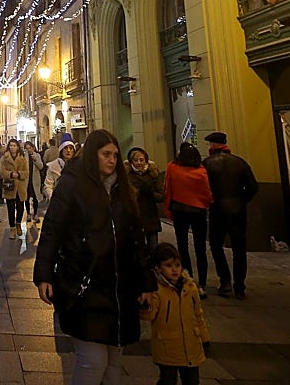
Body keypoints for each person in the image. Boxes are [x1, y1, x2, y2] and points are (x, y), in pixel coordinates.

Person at [34, 128, 154, 384]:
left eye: (114, 155)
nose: (112, 160)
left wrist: (146, 282)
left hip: (119, 286)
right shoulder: (72, 184)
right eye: (105, 154)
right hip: (83, 282)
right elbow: (52, 229)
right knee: (92, 361)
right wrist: (43, 274)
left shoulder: (123, 189)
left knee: (113, 361)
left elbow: (136, 239)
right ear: (92, 154)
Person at [140, 242, 211, 384]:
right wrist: (144, 306)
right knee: (168, 380)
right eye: (168, 265)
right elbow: (150, 315)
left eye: (177, 265)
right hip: (167, 347)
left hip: (191, 345)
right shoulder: (157, 290)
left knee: (192, 380)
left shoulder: (190, 288)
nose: (174, 270)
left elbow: (198, 314)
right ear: (158, 268)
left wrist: (204, 336)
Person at [202, 131, 258, 299]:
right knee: (239, 249)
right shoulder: (240, 163)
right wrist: (241, 200)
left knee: (216, 246)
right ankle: (239, 286)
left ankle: (225, 281)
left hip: (217, 210)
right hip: (238, 210)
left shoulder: (207, 164)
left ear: (212, 145)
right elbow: (253, 187)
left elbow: (202, 187)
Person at [164, 142, 213, 297]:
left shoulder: (172, 168)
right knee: (200, 249)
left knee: (182, 247)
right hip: (198, 213)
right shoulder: (201, 172)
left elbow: (168, 188)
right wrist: (204, 203)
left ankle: (187, 278)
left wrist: (169, 207)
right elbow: (207, 193)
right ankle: (202, 284)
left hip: (179, 212)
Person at [127, 146, 165, 253]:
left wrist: (150, 193)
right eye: (135, 160)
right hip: (135, 219)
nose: (139, 163)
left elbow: (161, 196)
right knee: (139, 251)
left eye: (141, 160)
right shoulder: (127, 176)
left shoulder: (153, 174)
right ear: (131, 162)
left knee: (153, 249)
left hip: (150, 217)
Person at [0, 138, 29, 237]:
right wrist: (11, 174)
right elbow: (1, 172)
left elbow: (26, 172)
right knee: (10, 209)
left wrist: (19, 174)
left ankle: (18, 224)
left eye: (14, 145)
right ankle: (12, 229)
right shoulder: (4, 158)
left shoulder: (23, 158)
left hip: (20, 187)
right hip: (10, 187)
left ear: (17, 147)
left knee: (20, 209)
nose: (12, 147)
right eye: (11, 145)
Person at [22, 140, 46, 225]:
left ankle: (35, 214)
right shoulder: (24, 156)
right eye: (27, 148)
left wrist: (35, 160)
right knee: (26, 197)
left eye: (30, 148)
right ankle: (28, 213)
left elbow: (41, 166)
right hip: (26, 180)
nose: (28, 150)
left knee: (35, 197)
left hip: (35, 180)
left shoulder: (37, 155)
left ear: (33, 148)